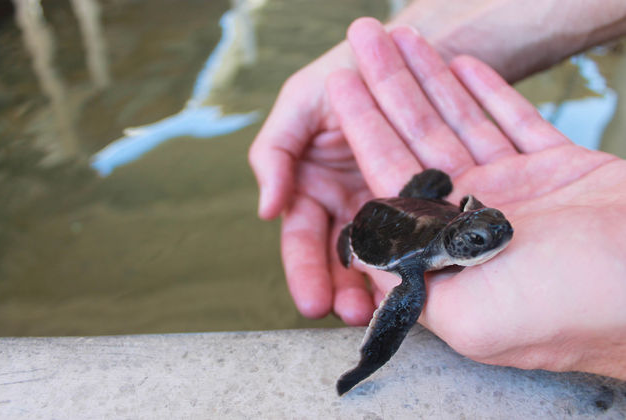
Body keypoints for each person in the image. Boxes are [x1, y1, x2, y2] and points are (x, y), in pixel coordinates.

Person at [249, 4, 626, 379]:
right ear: (459, 244)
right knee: (388, 257)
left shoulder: (464, 225)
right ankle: (356, 286)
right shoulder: (414, 269)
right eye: (481, 237)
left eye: (495, 226)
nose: (501, 235)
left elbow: (472, 210)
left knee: (435, 189)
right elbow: (406, 298)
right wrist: (368, 363)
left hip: (427, 210)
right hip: (389, 222)